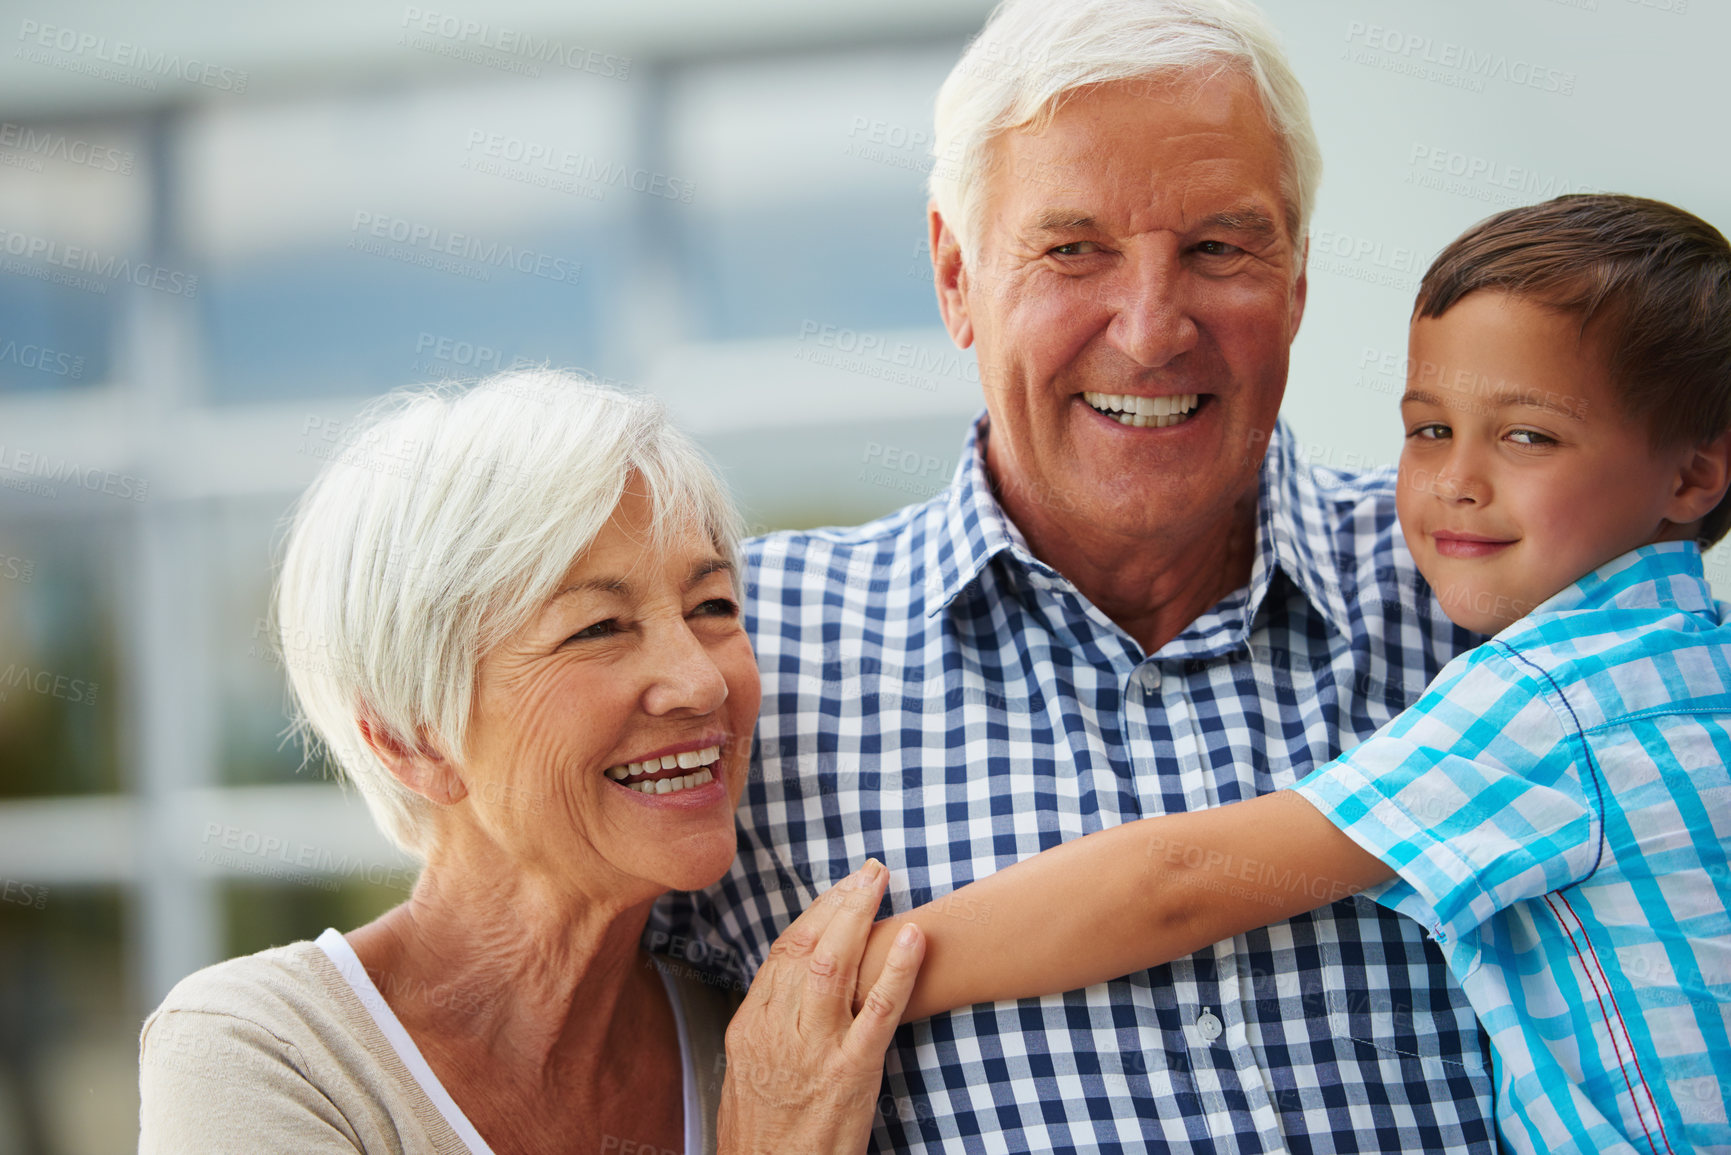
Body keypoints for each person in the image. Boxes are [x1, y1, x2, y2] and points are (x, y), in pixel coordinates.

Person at [652, 0, 1500, 1149]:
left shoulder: (1498, 608)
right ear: (957, 277)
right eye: (1071, 250)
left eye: (1218, 248)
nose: (1152, 332)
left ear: (1297, 275)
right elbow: (509, 1001)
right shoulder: (748, 662)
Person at [855, 194, 1731, 1155]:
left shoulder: (1551, 702)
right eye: (1428, 428)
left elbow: (1176, 883)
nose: (1456, 480)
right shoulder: (1693, 662)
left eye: (1527, 436)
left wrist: (867, 974)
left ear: (1691, 477)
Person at [136, 371, 926, 1154]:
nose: (701, 680)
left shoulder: (764, 1030)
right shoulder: (263, 1056)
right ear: (412, 739)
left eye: (710, 605)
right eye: (599, 627)